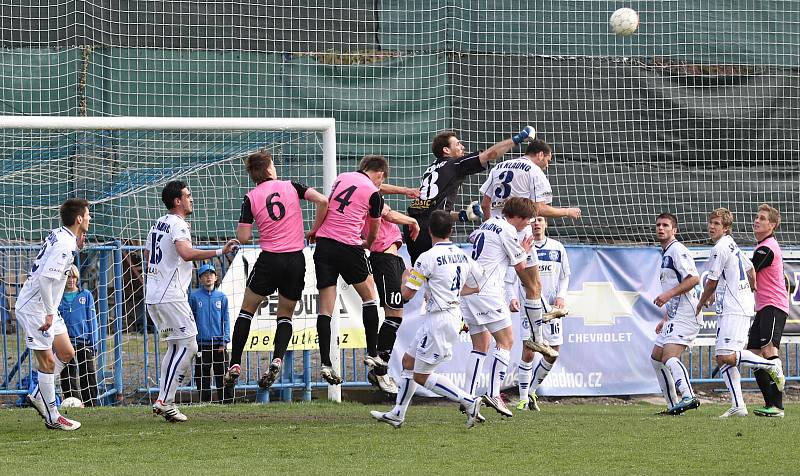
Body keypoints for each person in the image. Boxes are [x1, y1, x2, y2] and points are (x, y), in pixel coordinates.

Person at [223, 150, 328, 390]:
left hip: (269, 259)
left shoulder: (251, 197)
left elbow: (244, 236)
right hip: (295, 259)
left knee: (247, 310)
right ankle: (277, 358)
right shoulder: (292, 186)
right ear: (270, 169)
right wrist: (313, 230)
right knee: (285, 315)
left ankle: (236, 363)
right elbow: (323, 201)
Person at [369, 210, 484, 429]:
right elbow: (478, 283)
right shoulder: (462, 254)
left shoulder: (427, 258)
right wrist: (454, 293)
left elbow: (406, 294)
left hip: (439, 321)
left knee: (422, 376)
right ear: (451, 230)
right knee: (408, 362)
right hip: (446, 315)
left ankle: (468, 401)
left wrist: (404, 278)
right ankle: (398, 413)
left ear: (429, 230)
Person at [145, 180, 238, 422]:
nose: (191, 199)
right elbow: (185, 253)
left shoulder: (158, 224)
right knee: (190, 346)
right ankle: (165, 400)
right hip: (170, 296)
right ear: (177, 201)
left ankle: (166, 400)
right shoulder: (178, 224)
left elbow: (149, 255)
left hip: (153, 296)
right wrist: (219, 251)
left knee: (175, 346)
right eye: (188, 195)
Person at [694, 208, 784, 418]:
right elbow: (750, 269)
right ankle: (741, 405)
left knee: (736, 355)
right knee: (724, 357)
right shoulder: (736, 245)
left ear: (726, 228)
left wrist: (702, 301)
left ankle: (774, 377)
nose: (711, 227)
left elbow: (713, 281)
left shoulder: (758, 248)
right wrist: (750, 288)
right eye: (711, 223)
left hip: (756, 306)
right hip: (746, 306)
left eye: (717, 223)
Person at [404, 126, 536, 264]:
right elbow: (489, 155)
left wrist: (462, 215)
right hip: (428, 227)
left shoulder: (431, 169)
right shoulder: (455, 163)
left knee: (419, 272)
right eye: (457, 144)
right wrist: (518, 138)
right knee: (437, 272)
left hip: (412, 225)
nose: (462, 146)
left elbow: (433, 208)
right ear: (446, 150)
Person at [308, 155, 387, 385]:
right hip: (349, 247)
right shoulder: (374, 193)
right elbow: (374, 228)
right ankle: (372, 352)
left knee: (325, 308)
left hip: (324, 244)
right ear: (380, 174)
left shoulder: (341, 178)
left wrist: (316, 229)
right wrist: (367, 245)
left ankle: (325, 362)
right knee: (369, 296)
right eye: (382, 181)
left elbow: (326, 205)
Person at [461, 197, 539, 418]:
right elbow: (521, 266)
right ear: (518, 217)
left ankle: (468, 398)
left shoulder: (487, 223)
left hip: (470, 290)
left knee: (480, 344)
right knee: (506, 341)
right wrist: (523, 250)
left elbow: (473, 238)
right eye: (526, 220)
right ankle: (494, 393)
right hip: (487, 291)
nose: (527, 225)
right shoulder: (507, 231)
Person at [19, 197, 90, 430]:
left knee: (67, 352)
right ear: (79, 218)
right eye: (88, 214)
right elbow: (45, 280)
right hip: (36, 308)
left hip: (46, 305)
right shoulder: (64, 244)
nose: (90, 218)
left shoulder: (62, 235)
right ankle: (53, 416)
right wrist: (49, 314)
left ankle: (40, 394)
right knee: (48, 363)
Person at [514, 216, 571, 411]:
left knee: (553, 353)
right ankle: (521, 400)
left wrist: (561, 296)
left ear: (546, 224)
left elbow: (565, 276)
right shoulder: (522, 246)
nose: (537, 223)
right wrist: (512, 297)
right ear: (527, 224)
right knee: (529, 351)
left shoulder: (557, 247)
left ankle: (531, 390)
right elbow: (513, 274)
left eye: (540, 220)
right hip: (529, 307)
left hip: (551, 311)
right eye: (533, 221)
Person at [648, 213, 701, 415]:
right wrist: (666, 318)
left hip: (688, 315)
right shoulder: (666, 254)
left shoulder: (677, 250)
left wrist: (667, 294)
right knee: (656, 357)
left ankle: (688, 396)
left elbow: (694, 279)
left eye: (666, 225)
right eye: (658, 225)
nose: (661, 228)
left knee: (670, 356)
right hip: (675, 316)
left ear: (674, 230)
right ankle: (672, 406)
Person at [364, 202, 420, 394]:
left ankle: (379, 366)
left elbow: (405, 294)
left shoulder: (371, 190)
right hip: (383, 259)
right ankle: (380, 370)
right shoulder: (369, 196)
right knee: (393, 315)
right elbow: (389, 215)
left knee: (397, 312)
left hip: (394, 259)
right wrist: (413, 220)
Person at [748, 204, 789, 418]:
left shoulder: (768, 247)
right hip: (763, 307)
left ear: (772, 225)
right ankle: (770, 404)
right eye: (756, 217)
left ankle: (778, 406)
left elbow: (750, 271)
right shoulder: (762, 245)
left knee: (769, 350)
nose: (757, 220)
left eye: (762, 218)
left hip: (773, 306)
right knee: (753, 355)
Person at [478, 138, 581, 221]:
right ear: (540, 155)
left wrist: (488, 223)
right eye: (548, 161)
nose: (547, 166)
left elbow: (485, 204)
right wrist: (567, 212)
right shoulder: (535, 171)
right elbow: (539, 208)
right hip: (518, 229)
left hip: (495, 226)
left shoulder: (499, 167)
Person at [190, 264, 232, 403]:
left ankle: (226, 402)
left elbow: (225, 319)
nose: (208, 277)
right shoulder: (194, 297)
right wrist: (193, 340)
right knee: (202, 374)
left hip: (219, 344)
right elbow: (191, 319)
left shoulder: (221, 297)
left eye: (211, 274)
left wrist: (224, 340)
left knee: (223, 374)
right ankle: (205, 402)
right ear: (200, 279)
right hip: (201, 343)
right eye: (204, 275)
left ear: (216, 277)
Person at [59, 264, 100, 407]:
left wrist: (93, 343)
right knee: (67, 375)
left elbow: (92, 320)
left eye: (74, 277)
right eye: (68, 277)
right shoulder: (58, 297)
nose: (71, 280)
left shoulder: (85, 295)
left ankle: (91, 404)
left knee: (87, 373)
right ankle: (73, 403)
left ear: (77, 278)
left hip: (84, 341)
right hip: (65, 341)